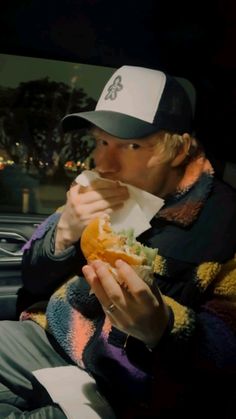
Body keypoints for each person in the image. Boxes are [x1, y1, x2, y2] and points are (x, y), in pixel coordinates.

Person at [0, 65, 235, 419]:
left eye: (132, 144)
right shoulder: (93, 191)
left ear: (178, 149)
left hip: (129, 387)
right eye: (101, 141)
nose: (105, 163)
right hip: (56, 336)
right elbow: (33, 277)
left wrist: (163, 328)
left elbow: (227, 348)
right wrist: (64, 231)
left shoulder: (225, 222)